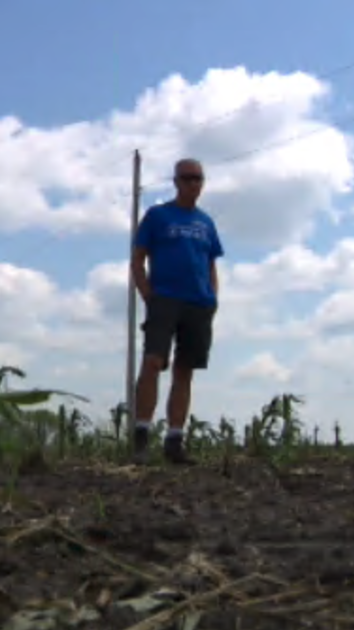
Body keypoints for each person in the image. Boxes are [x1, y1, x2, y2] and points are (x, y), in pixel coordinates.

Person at [129, 158, 224, 465]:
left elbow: (211, 263)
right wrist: (149, 296)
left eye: (199, 178)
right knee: (153, 361)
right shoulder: (158, 216)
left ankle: (174, 440)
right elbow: (137, 261)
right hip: (165, 299)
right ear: (176, 181)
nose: (194, 183)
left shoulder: (206, 222)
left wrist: (213, 298)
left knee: (185, 371)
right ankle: (141, 435)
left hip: (198, 304)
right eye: (187, 178)